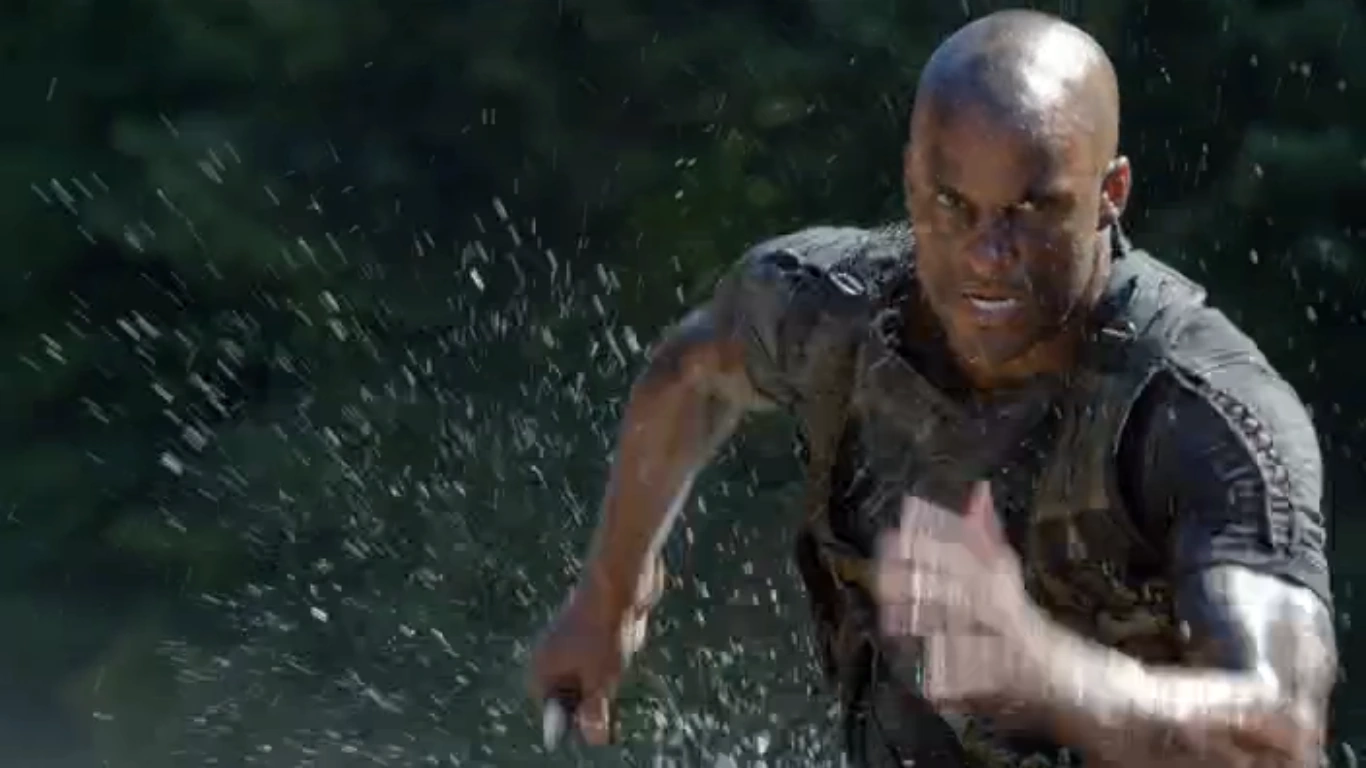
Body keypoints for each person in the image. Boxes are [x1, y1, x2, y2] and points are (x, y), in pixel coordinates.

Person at [527, 9, 1339, 766]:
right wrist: (610, 592)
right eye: (953, 206)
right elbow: (692, 375)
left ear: (1110, 195)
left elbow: (1281, 732)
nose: (988, 254)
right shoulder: (830, 308)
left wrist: (1043, 671)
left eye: (1033, 209)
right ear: (912, 181)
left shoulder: (1203, 414)